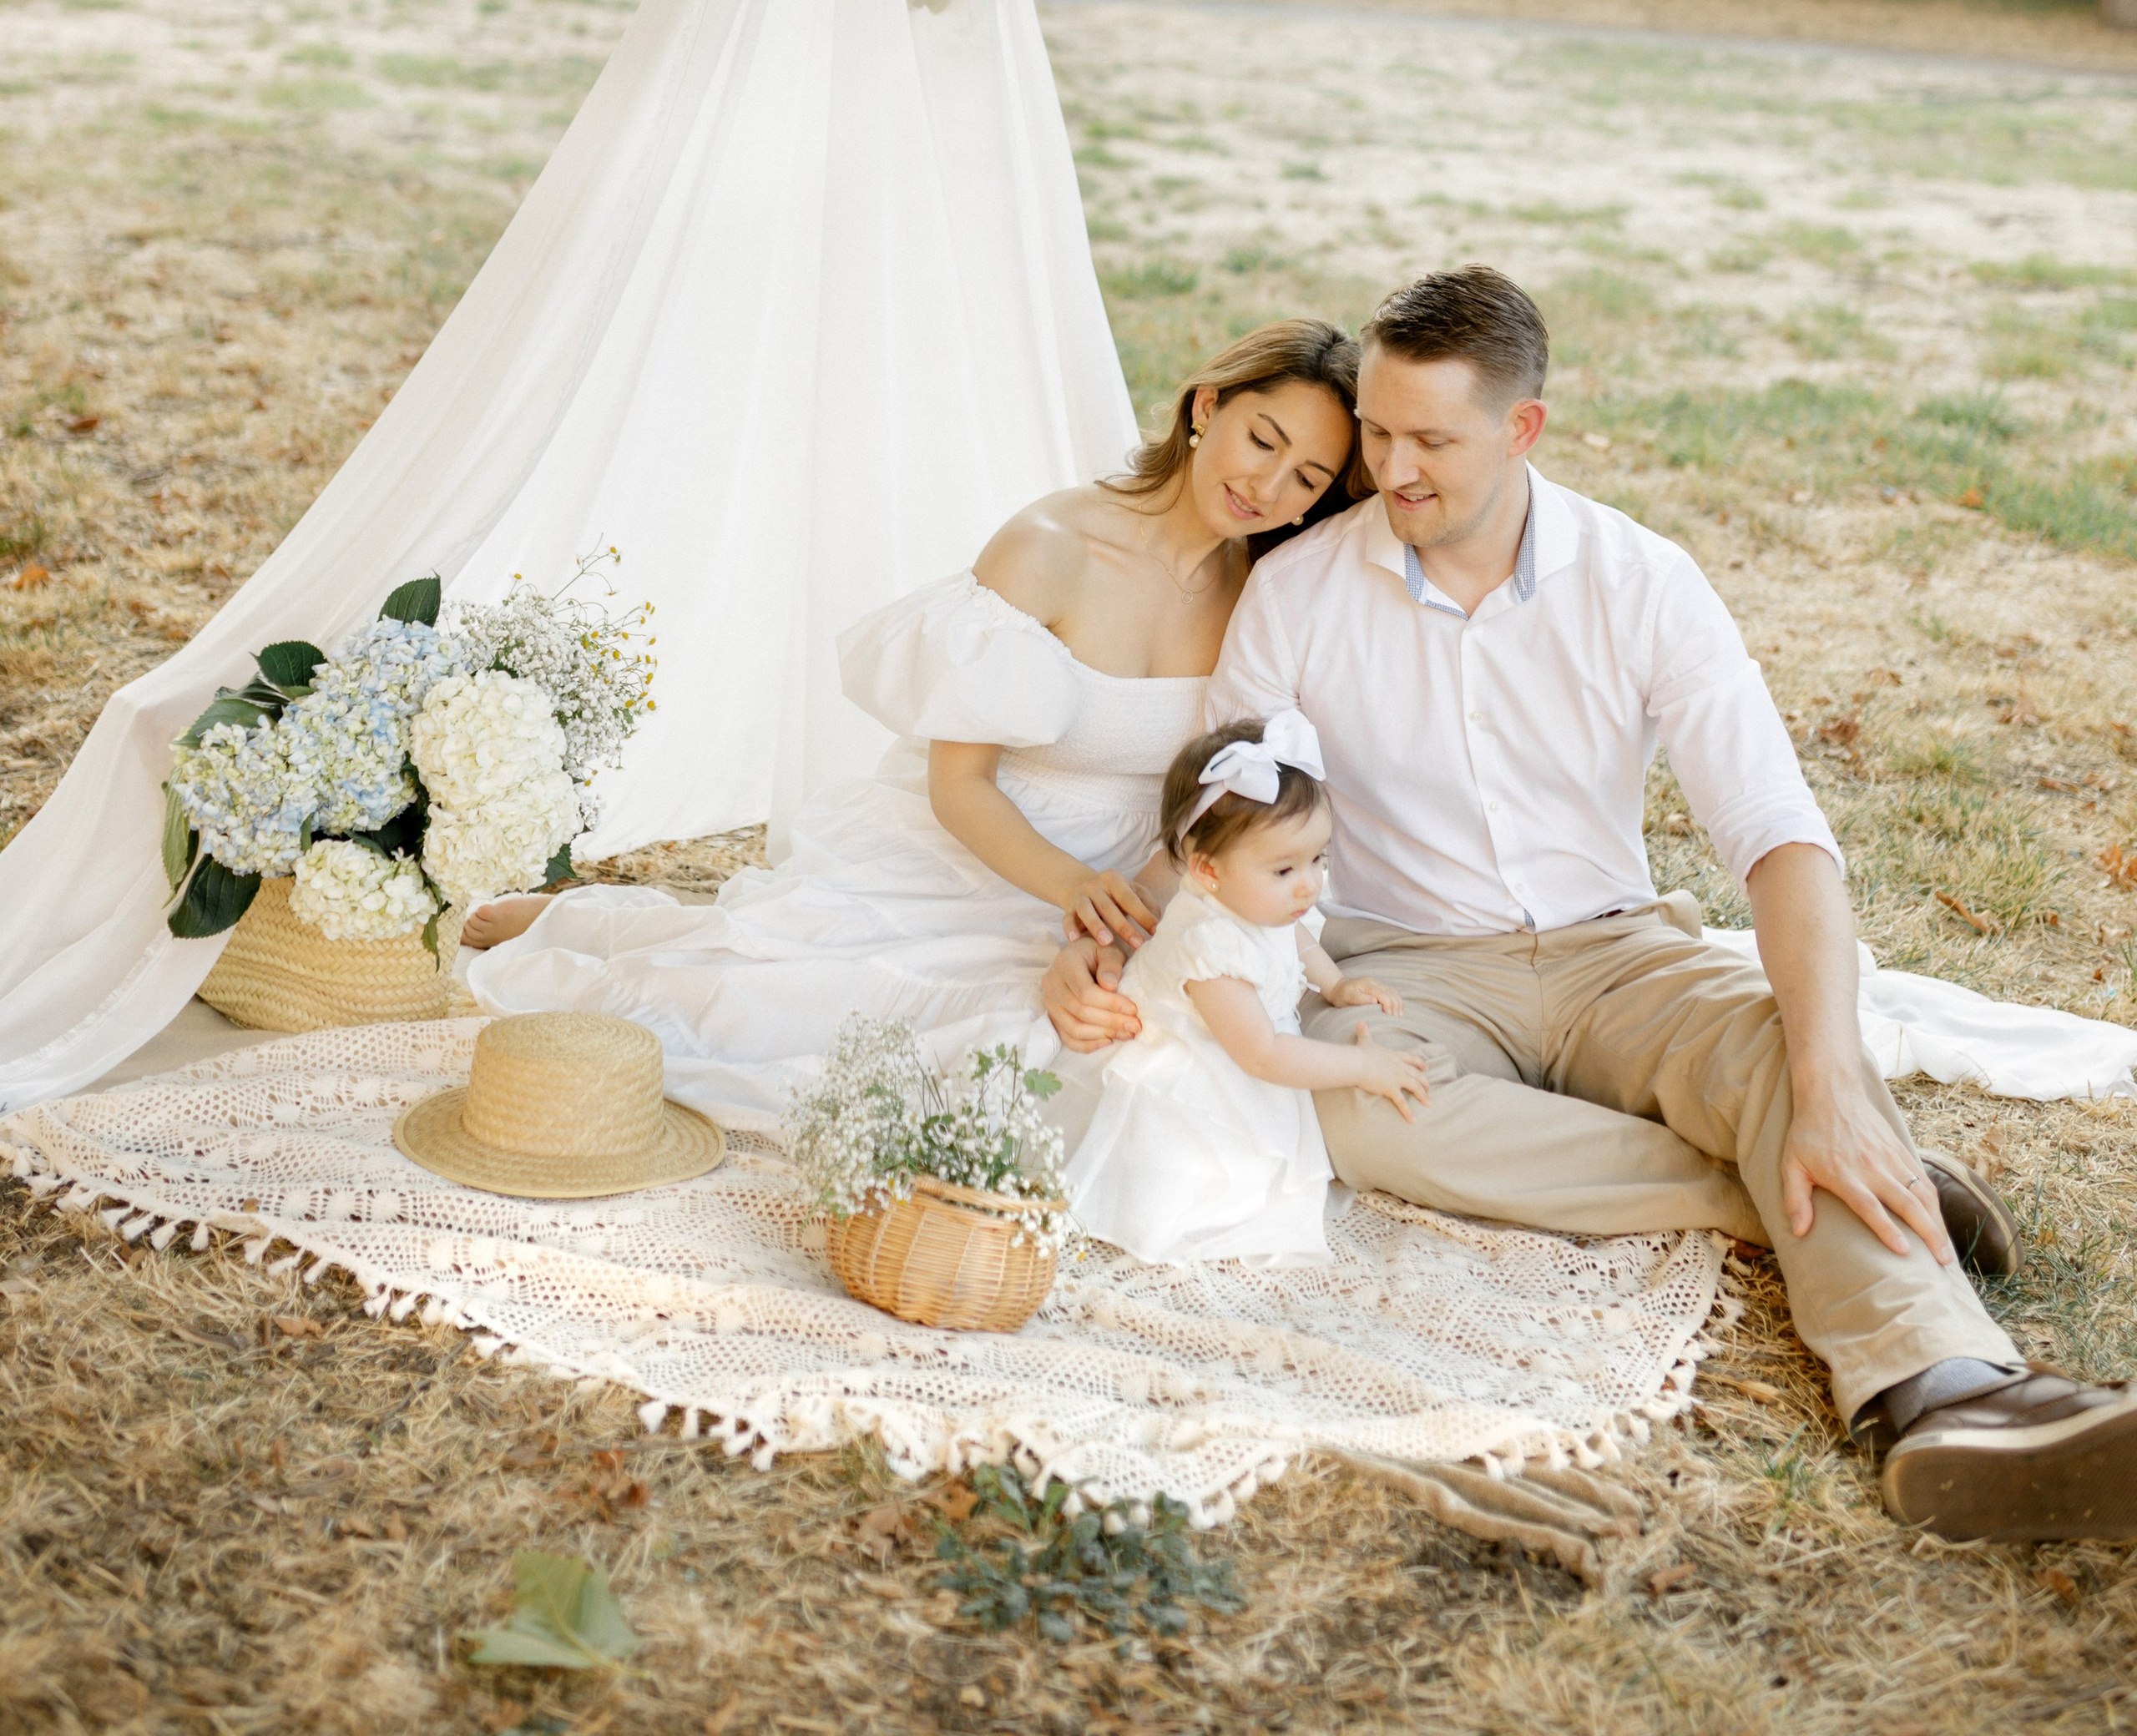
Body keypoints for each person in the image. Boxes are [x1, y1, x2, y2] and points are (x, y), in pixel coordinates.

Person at [1043, 265, 2137, 1546]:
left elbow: (1780, 838)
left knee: (1787, 1047)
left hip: (1620, 951)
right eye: (1380, 433)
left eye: (1431, 441)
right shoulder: (1297, 594)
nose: (1390, 470)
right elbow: (1223, 826)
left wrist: (1829, 1083)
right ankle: (1784, 1180)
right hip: (1411, 968)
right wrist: (1106, 948)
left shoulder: (1641, 577)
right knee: (1348, 1108)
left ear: (1523, 429)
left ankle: (1945, 1390)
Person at [457, 321, 1365, 1123]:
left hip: (1147, 877)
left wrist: (1140, 907)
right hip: (990, 848)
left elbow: (1231, 800)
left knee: (1107, 1060)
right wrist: (1070, 890)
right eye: (1261, 439)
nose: (1268, 485)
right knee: (757, 1005)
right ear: (1206, 406)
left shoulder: (1264, 594)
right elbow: (958, 782)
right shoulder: (1052, 547)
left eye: (1307, 478)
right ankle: (594, 930)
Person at [1064, 710, 1431, 1264]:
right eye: (1286, 870)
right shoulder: (1210, 946)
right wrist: (1362, 1067)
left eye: (1319, 859)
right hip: (1203, 1065)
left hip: (1246, 1042)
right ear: (1208, 871)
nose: (1309, 884)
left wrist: (1334, 985)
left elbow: (1296, 942)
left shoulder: (1260, 900)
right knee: (1222, 1189)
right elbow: (1262, 1055)